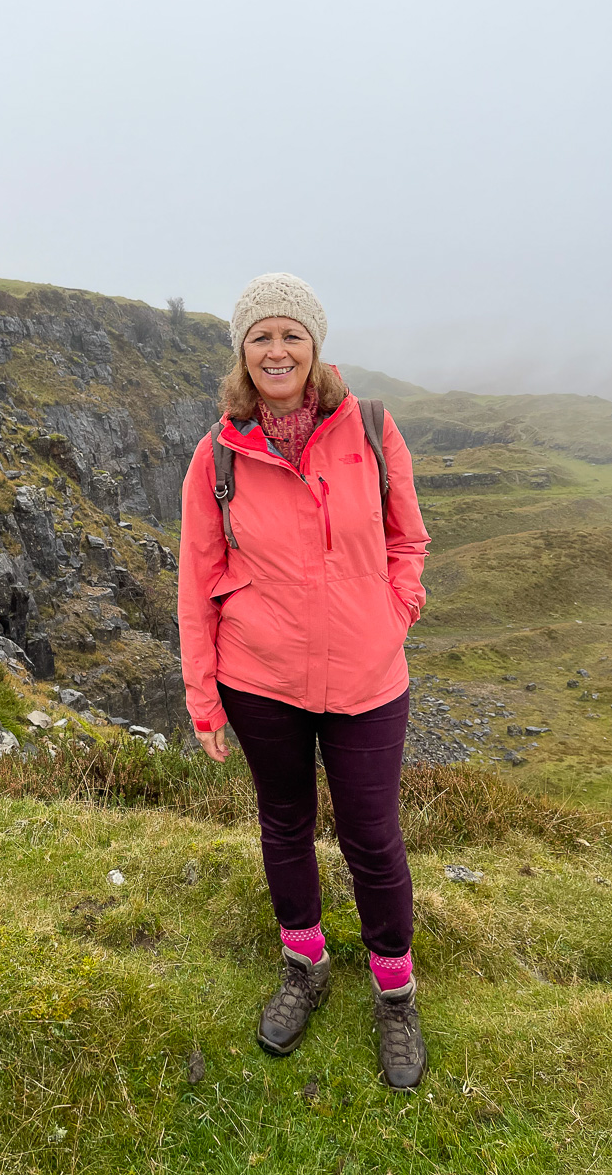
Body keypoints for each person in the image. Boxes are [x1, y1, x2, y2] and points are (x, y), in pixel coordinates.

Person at [177, 273, 430, 1090]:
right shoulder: (218, 454)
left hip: (367, 675)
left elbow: (408, 540)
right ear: (243, 353)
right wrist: (204, 696)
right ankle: (304, 965)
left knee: (372, 838)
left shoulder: (372, 428)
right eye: (261, 336)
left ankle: (395, 995)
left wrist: (393, 612)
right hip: (261, 678)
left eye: (292, 334)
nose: (276, 350)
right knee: (284, 825)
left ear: (314, 347)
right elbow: (196, 581)